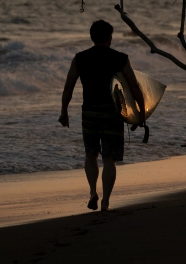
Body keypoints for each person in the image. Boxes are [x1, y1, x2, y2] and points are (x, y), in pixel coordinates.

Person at [59, 20, 145, 212]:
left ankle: (92, 192)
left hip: (89, 112)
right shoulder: (120, 58)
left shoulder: (80, 58)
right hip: (112, 113)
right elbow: (134, 86)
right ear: (110, 38)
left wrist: (64, 111)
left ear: (92, 37)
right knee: (109, 159)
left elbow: (68, 86)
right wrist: (141, 111)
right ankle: (105, 201)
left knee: (90, 154)